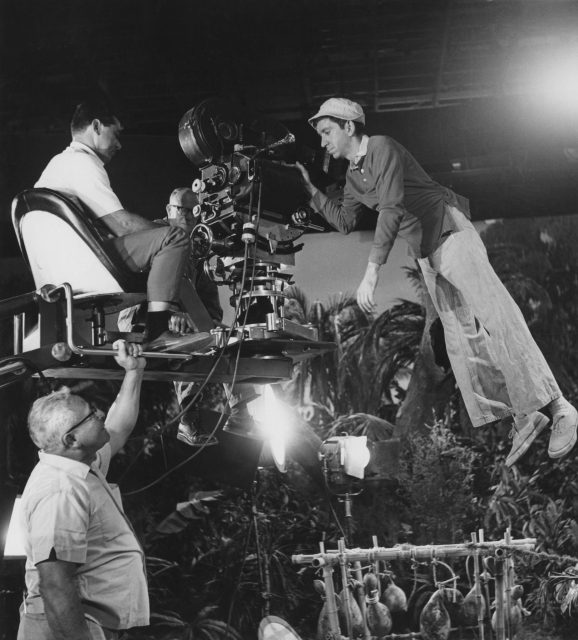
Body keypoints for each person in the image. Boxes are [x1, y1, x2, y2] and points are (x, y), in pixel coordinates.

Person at [295, 97, 578, 466]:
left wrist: (371, 273)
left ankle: (560, 408)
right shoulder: (353, 177)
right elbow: (346, 221)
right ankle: (522, 415)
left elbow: (393, 208)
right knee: (463, 343)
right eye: (320, 135)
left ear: (349, 127)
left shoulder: (383, 148)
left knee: (497, 317)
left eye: (327, 131)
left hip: (449, 231)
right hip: (427, 253)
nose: (323, 142)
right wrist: (310, 190)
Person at [34, 96, 209, 353]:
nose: (119, 144)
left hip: (57, 272)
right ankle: (158, 330)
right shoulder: (82, 162)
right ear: (96, 127)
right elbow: (123, 225)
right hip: (84, 264)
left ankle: (164, 319)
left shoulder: (58, 164)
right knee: (174, 239)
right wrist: (171, 236)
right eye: (115, 134)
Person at [17, 340, 148, 640]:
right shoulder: (60, 489)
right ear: (71, 439)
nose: (100, 415)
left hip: (90, 624)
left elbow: (118, 427)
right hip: (71, 628)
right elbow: (55, 585)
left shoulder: (78, 464)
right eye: (91, 416)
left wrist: (133, 372)